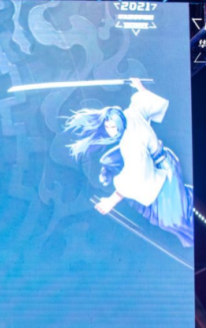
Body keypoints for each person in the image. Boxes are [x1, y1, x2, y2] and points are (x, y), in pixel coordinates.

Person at [65, 78, 194, 247]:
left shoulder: (131, 143)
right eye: (107, 127)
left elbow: (135, 176)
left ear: (119, 123)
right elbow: (144, 101)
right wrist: (139, 86)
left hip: (163, 168)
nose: (110, 131)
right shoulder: (130, 114)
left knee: (171, 221)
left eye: (113, 127)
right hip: (154, 162)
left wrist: (111, 200)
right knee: (169, 219)